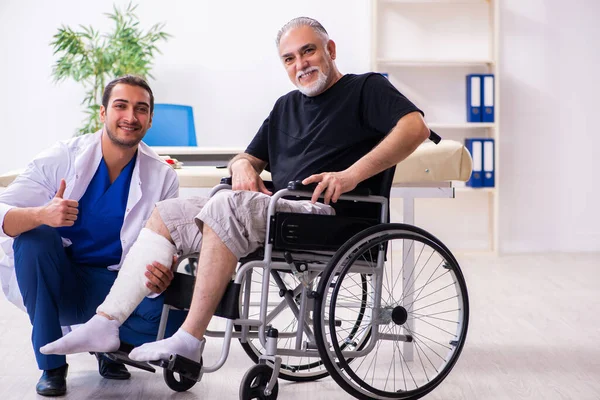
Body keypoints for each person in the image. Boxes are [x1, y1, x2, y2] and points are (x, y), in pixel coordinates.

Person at [41, 17, 430, 368]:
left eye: (308, 51)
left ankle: (188, 340)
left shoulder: (366, 88)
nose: (300, 64)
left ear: (329, 50)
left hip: (332, 215)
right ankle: (105, 323)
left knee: (227, 204)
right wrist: (242, 164)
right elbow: (248, 156)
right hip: (278, 215)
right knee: (168, 213)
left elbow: (415, 129)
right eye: (289, 59)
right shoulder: (286, 106)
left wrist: (348, 175)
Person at [0, 75, 186, 396]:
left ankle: (107, 347)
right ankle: (52, 365)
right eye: (121, 106)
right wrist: (42, 214)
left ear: (150, 119)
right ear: (102, 113)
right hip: (65, 285)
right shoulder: (63, 157)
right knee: (34, 237)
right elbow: (4, 210)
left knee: (174, 322)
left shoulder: (162, 176)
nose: (130, 117)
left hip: (118, 286)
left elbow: (166, 243)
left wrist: (163, 270)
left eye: (141, 109)